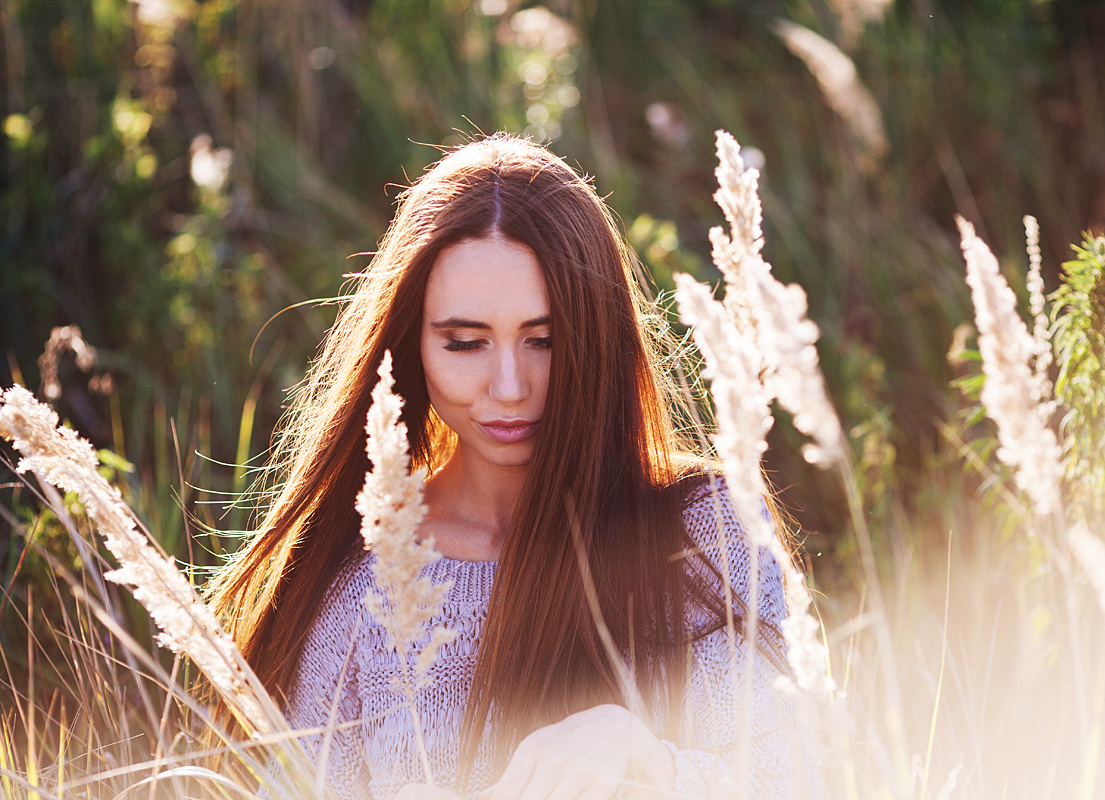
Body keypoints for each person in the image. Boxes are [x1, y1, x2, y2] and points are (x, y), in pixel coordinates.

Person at [207, 134, 820, 799]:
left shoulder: (706, 535)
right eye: (465, 342)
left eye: (545, 340)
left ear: (597, 335)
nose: (508, 385)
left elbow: (799, 777)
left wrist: (646, 759)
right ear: (413, 342)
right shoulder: (363, 589)